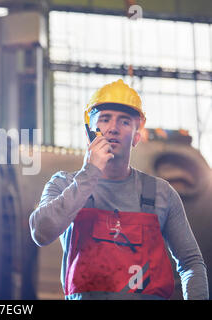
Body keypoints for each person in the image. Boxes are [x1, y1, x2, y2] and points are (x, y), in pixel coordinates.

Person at [29, 79, 209, 300]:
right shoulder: (63, 185)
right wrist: (89, 173)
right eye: (105, 119)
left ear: (136, 136)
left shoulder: (161, 194)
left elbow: (191, 263)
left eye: (124, 122)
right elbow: (41, 232)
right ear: (89, 132)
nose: (113, 128)